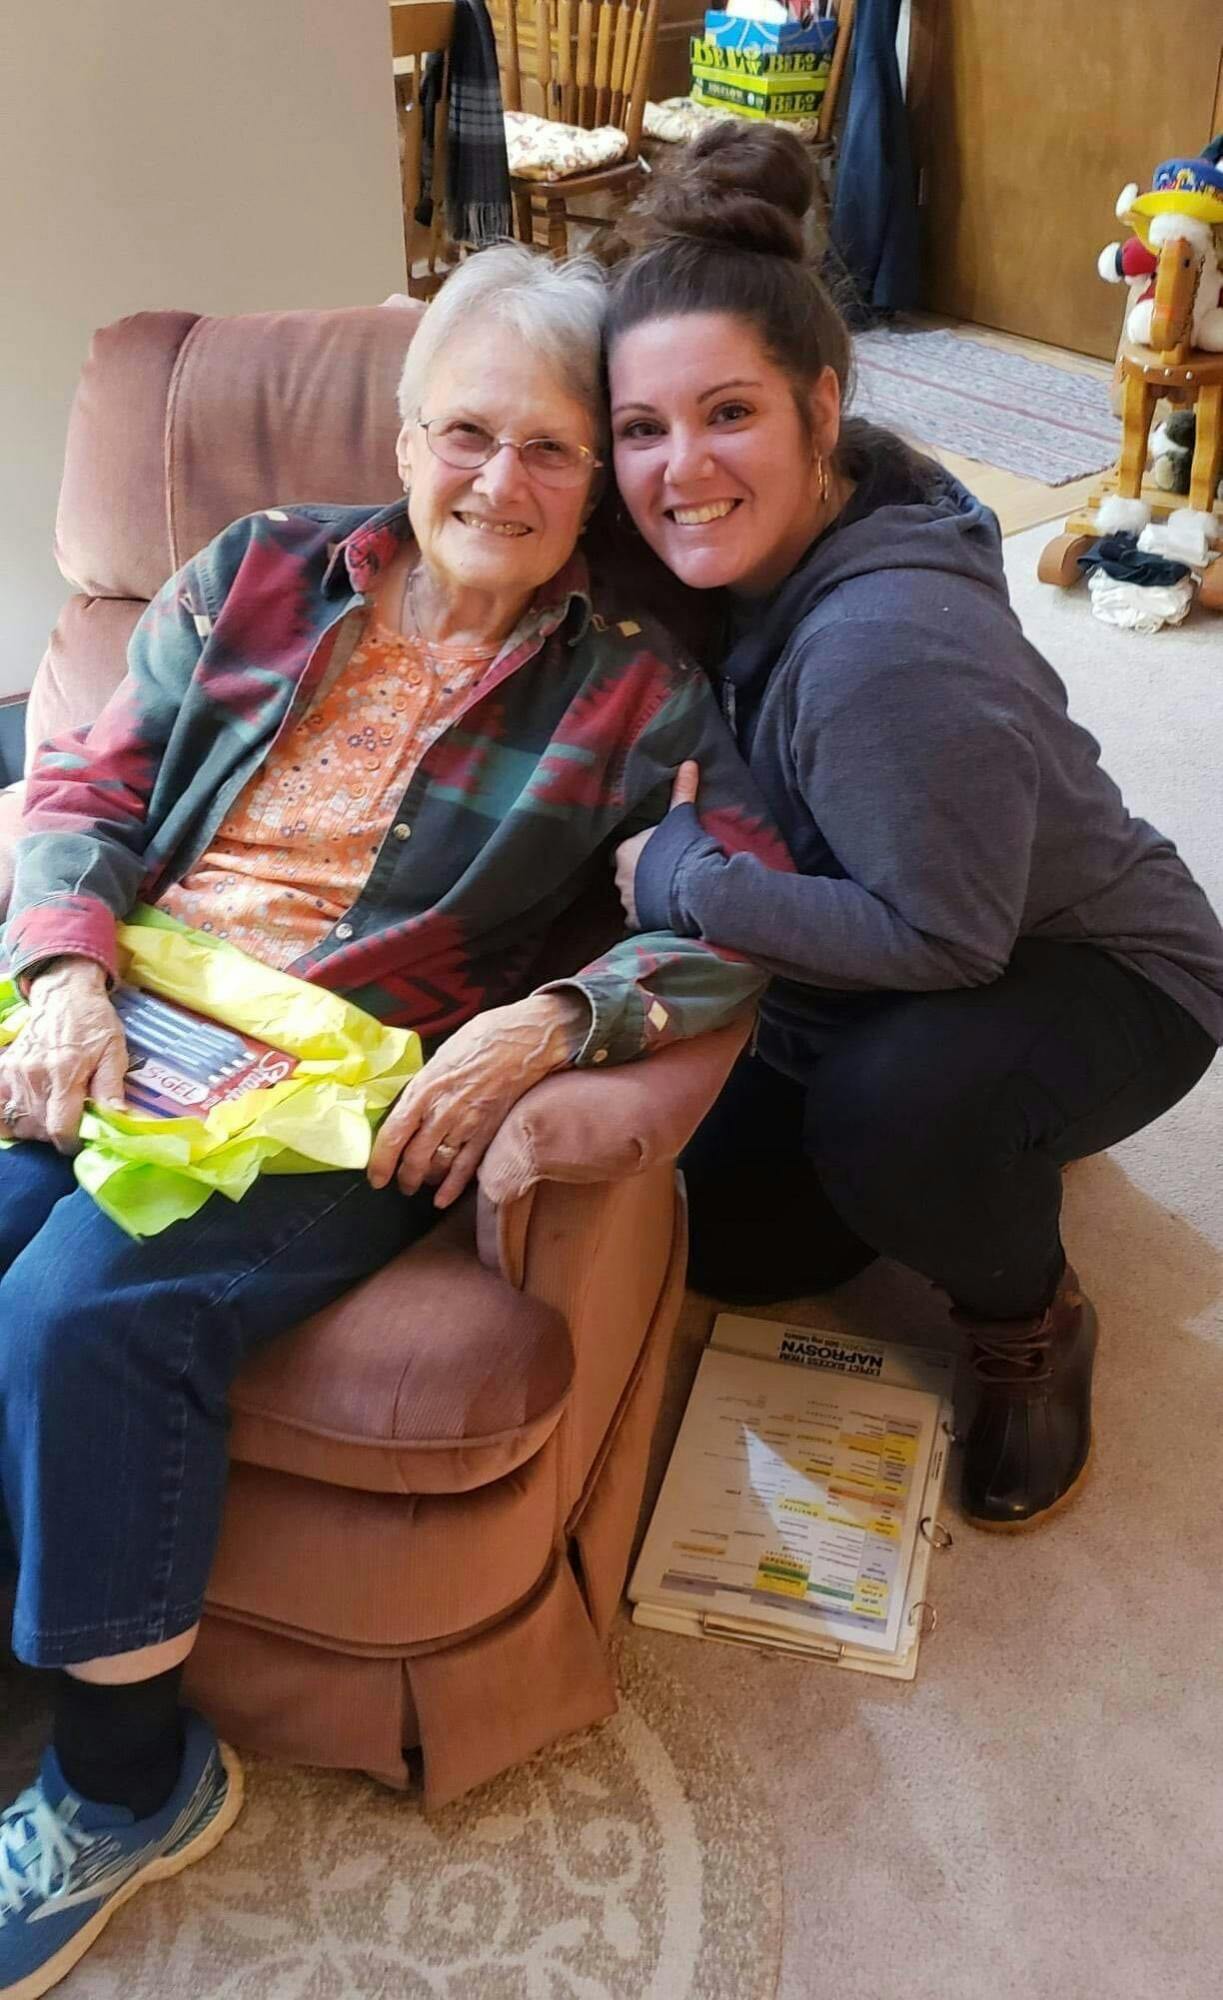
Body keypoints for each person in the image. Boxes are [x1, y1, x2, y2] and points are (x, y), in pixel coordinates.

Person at [0, 243, 786, 1999]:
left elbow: (740, 906)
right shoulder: (254, 569)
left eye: (552, 449)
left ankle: (128, 1784)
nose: (499, 483)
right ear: (409, 434)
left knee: (78, 1311)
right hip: (126, 1010)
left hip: (342, 1086)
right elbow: (85, 784)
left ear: (596, 482)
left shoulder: (636, 685)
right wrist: (61, 971)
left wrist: (553, 1018)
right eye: (467, 434)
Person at [606, 123, 1223, 1536]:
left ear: (821, 409)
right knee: (737, 1237)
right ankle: (984, 1136)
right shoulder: (765, 533)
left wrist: (694, 882)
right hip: (933, 915)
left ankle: (1031, 1319)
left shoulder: (882, 650)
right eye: (643, 428)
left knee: (895, 1123)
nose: (681, 468)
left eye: (729, 413)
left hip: (1103, 966)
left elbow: (948, 938)